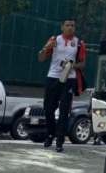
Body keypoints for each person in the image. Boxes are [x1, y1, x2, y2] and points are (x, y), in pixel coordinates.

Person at [37, 18, 87, 152]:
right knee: (48, 109)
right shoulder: (55, 40)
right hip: (53, 77)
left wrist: (72, 65)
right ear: (62, 27)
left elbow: (83, 64)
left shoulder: (79, 43)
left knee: (64, 110)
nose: (70, 27)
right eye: (67, 25)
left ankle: (60, 140)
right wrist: (46, 47)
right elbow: (41, 58)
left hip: (69, 79)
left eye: (72, 25)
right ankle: (50, 133)